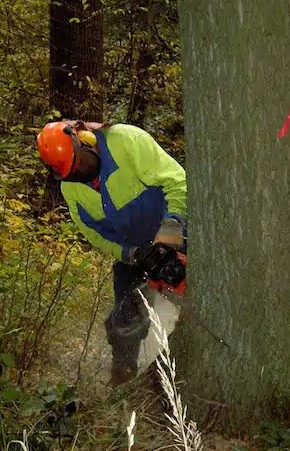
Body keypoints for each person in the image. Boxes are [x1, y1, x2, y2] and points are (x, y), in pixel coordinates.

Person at [36, 120, 187, 385]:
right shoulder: (71, 190)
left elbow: (176, 181)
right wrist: (130, 254)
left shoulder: (126, 141)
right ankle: (123, 381)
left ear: (85, 140)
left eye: (80, 163)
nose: (79, 174)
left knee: (187, 301)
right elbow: (93, 233)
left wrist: (171, 228)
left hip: (176, 231)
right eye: (71, 173)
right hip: (136, 253)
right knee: (123, 320)